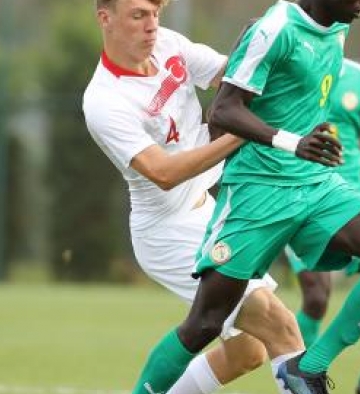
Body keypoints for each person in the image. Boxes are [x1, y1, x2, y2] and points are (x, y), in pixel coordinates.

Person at [129, 0, 360, 393]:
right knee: (205, 323)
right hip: (258, 192)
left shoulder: (336, 24)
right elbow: (222, 111)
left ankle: (310, 369)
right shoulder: (277, 29)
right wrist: (292, 142)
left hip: (316, 185)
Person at [82, 1, 305, 394]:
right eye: (138, 15)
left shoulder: (169, 44)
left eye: (156, 13)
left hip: (208, 211)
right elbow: (164, 174)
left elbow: (235, 79)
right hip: (167, 231)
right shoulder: (104, 100)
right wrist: (248, 132)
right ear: (105, 18)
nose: (152, 26)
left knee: (247, 352)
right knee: (279, 324)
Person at [284, 58, 360, 394]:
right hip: (303, 198)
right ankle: (300, 379)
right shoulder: (289, 68)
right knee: (316, 296)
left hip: (355, 198)